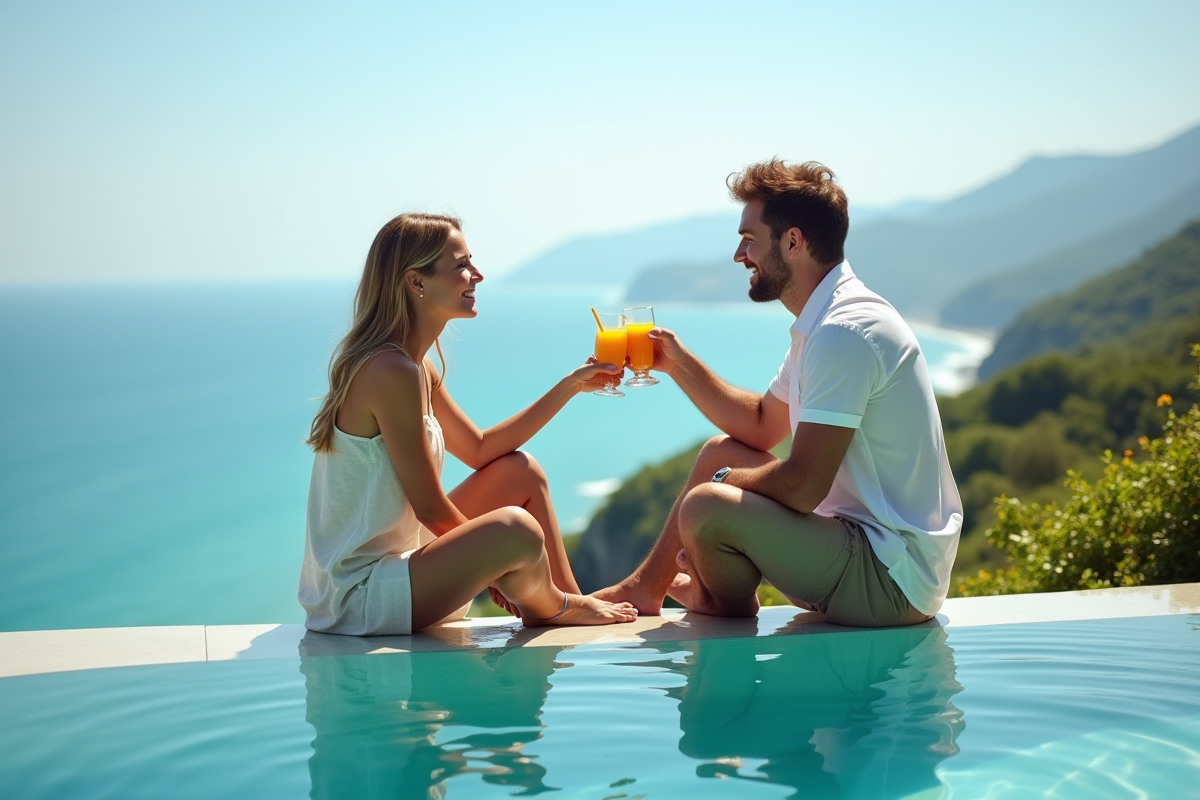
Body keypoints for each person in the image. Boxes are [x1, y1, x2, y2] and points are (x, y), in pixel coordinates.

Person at [594, 160, 963, 627]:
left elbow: (804, 487)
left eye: (749, 239)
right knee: (718, 452)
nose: (739, 255)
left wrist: (725, 481)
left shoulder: (843, 333)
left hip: (889, 576)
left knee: (707, 504)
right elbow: (761, 425)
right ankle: (645, 590)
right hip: (860, 546)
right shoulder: (824, 322)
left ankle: (718, 602)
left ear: (792, 242)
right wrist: (678, 365)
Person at [299, 212, 637, 635]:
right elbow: (429, 507)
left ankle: (566, 602)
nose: (477, 274)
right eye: (461, 264)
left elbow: (478, 449)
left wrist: (571, 385)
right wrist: (492, 560)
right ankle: (558, 606)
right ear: (416, 282)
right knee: (514, 530)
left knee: (522, 471)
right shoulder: (390, 371)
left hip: (401, 562)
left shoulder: (415, 368)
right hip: (360, 596)